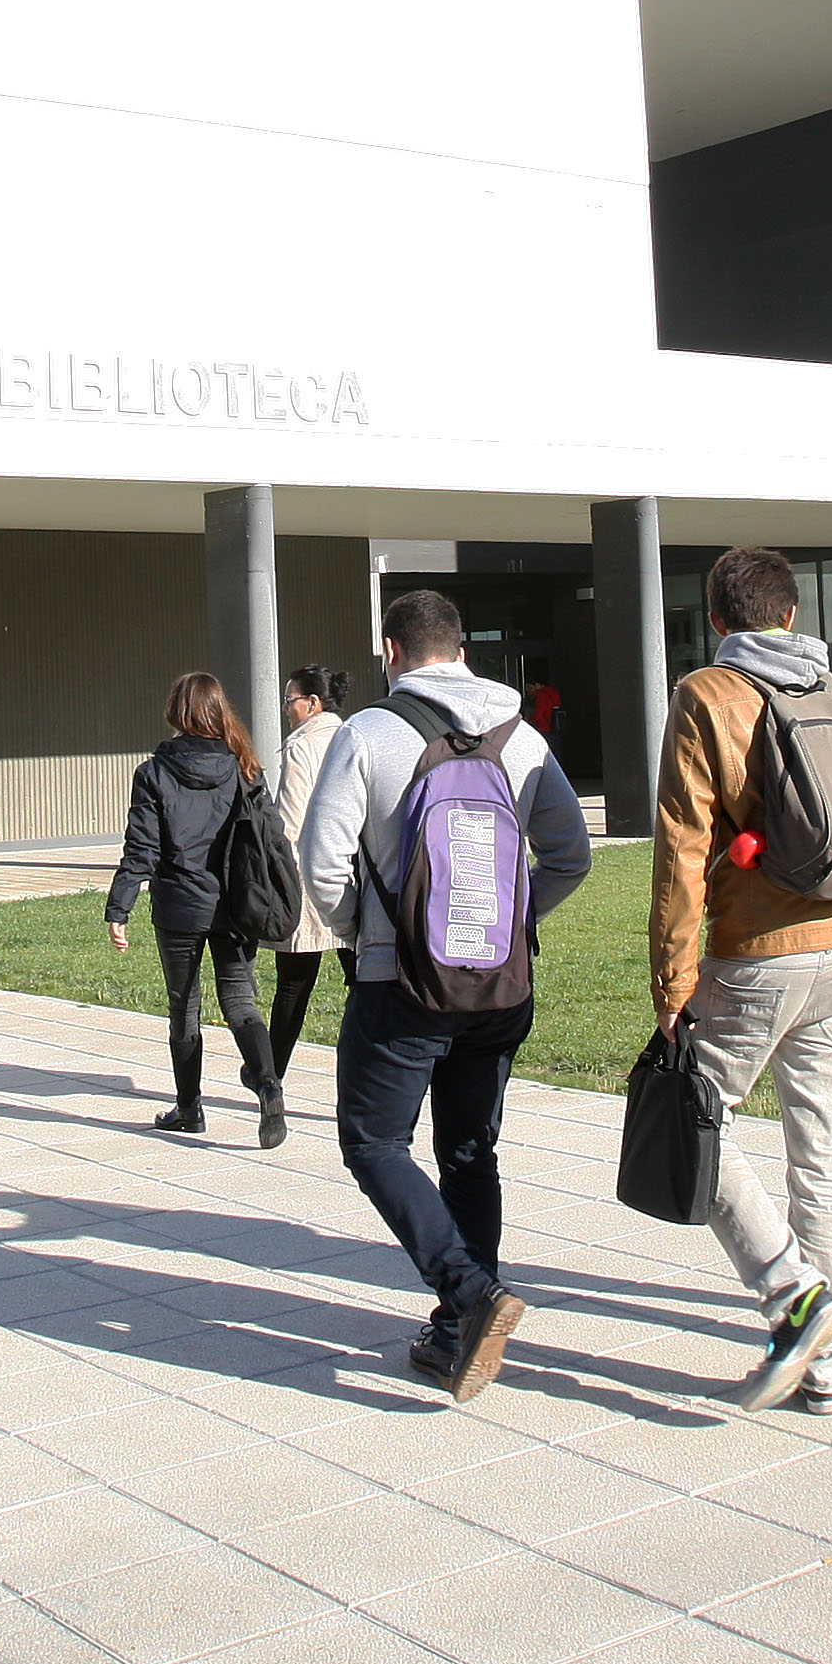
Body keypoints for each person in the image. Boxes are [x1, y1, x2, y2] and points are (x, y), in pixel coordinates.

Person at [297, 587, 593, 1404]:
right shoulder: (523, 735)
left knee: (374, 1144)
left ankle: (469, 1296)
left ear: (390, 653)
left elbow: (321, 866)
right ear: (461, 650)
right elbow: (570, 858)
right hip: (501, 986)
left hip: (402, 985)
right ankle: (461, 1328)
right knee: (470, 1151)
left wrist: (371, 935)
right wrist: (506, 917)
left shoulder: (367, 733)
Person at [650, 546, 832, 1414]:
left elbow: (681, 847)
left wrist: (672, 977)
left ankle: (793, 1296)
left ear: (716, 620)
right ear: (790, 614)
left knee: (691, 1120)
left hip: (757, 954)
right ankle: (830, 1370)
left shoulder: (707, 694)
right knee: (822, 1145)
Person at [106, 674, 286, 1145]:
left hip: (179, 908)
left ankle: (189, 1109)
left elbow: (140, 848)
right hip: (235, 904)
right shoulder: (245, 768)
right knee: (241, 1001)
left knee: (184, 1008)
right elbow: (266, 838)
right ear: (218, 711)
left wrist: (119, 906)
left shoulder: (154, 773)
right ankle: (268, 1087)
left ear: (177, 713)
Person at [267, 665, 347, 1081]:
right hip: (355, 876)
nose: (286, 709)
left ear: (312, 704)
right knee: (365, 986)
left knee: (294, 984)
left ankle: (269, 1074)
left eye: (290, 700)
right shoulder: (354, 737)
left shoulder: (301, 748)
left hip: (311, 878)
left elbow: (290, 822)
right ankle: (366, 1073)